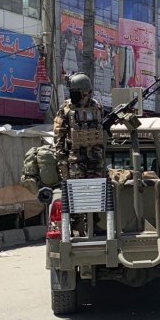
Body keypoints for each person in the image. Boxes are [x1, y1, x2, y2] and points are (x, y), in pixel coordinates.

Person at [53, 73, 106, 235]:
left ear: (86, 92)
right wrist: (61, 158)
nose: (72, 95)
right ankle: (76, 226)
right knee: (76, 192)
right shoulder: (66, 109)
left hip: (95, 158)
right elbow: (59, 135)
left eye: (76, 91)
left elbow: (101, 129)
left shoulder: (97, 107)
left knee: (96, 191)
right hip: (75, 158)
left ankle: (94, 223)